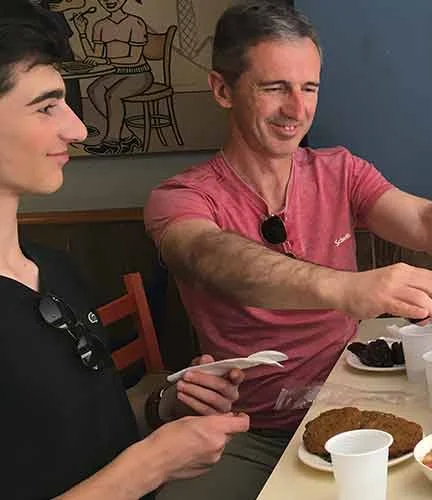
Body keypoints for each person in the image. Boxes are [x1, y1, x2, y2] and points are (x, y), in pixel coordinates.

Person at [143, 2, 432, 498]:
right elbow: (209, 258)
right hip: (248, 428)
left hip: (361, 404)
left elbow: (422, 217)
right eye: (274, 88)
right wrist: (348, 289)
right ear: (222, 89)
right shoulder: (181, 197)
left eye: (308, 88)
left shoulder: (338, 170)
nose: (296, 109)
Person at [0, 3, 250, 500]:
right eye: (46, 106)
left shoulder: (55, 270)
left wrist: (167, 405)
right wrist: (153, 463)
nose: (78, 130)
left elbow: (82, 432)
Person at [72, 0, 153, 155]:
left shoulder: (135, 23)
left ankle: (112, 141)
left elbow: (134, 59)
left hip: (139, 74)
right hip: (117, 73)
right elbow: (95, 56)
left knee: (112, 95)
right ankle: (128, 136)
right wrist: (82, 31)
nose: (109, 1)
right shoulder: (100, 25)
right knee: (94, 90)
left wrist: (106, 61)